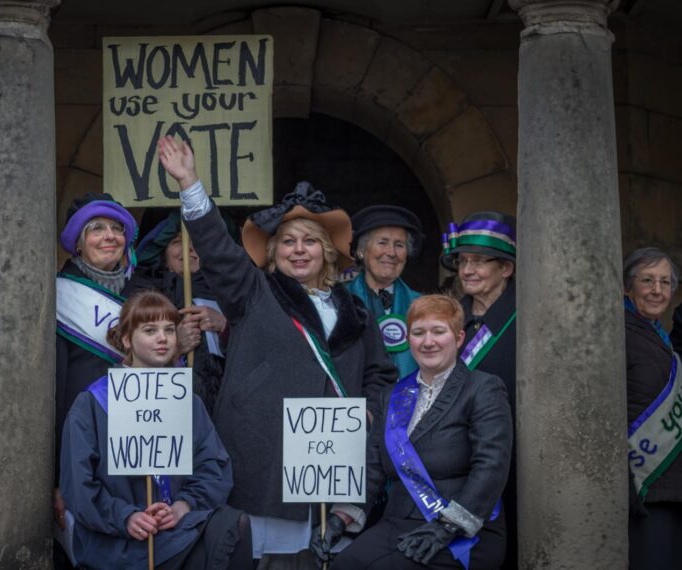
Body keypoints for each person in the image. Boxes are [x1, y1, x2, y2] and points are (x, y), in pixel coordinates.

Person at [158, 136, 397, 564]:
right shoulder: (253, 291)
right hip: (262, 452)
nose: (299, 250)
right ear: (273, 253)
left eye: (308, 242)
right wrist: (190, 182)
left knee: (317, 559)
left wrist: (370, 409)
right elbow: (216, 249)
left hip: (329, 458)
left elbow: (381, 372)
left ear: (326, 252)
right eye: (288, 242)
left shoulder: (357, 309)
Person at [59, 290, 252, 569]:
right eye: (150, 330)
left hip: (176, 526)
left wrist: (183, 506)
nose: (162, 338)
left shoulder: (188, 403)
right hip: (118, 538)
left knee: (234, 527)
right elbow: (78, 486)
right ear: (127, 339)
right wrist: (126, 517)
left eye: (169, 330)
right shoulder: (92, 404)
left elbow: (214, 466)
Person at [320, 295, 512, 569]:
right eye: (418, 333)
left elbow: (491, 466)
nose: (428, 341)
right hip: (397, 522)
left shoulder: (483, 388)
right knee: (345, 563)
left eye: (438, 331)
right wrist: (342, 517)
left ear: (458, 338)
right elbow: (374, 466)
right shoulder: (391, 396)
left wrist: (447, 526)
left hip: (465, 530)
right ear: (408, 339)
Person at [54, 193, 153, 545]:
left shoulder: (145, 296)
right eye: (96, 228)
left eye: (117, 228)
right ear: (78, 244)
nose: (110, 236)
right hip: (85, 447)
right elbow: (52, 395)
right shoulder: (58, 296)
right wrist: (58, 478)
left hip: (142, 441)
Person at [440, 211, 518, 569]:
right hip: (456, 456)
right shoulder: (451, 319)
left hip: (514, 456)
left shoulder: (529, 317)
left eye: (479, 261)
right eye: (463, 261)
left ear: (506, 269)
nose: (468, 270)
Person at [135, 211, 231, 414]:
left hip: (225, 411)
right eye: (178, 241)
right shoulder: (143, 297)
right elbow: (129, 361)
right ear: (163, 252)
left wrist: (224, 327)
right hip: (165, 410)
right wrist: (175, 348)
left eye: (197, 242)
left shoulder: (230, 294)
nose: (189, 248)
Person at [623, 247, 682, 570]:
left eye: (665, 282)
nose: (657, 290)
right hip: (644, 488)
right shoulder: (619, 332)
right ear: (627, 288)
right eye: (647, 280)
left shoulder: (663, 338)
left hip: (670, 485)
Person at [346, 205, 425, 378]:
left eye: (399, 245)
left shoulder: (423, 306)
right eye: (382, 243)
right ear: (360, 251)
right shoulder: (339, 301)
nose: (391, 253)